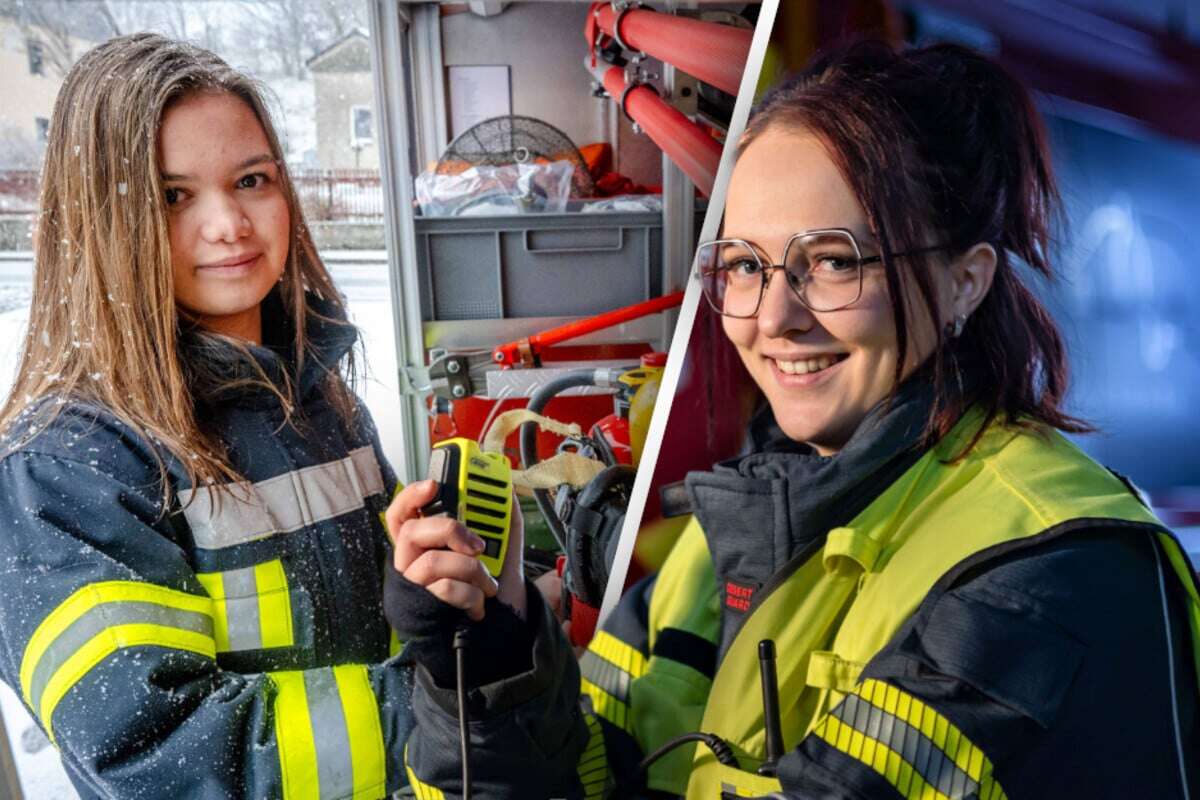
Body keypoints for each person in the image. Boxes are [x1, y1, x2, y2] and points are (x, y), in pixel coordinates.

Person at [390, 41, 1200, 798]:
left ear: (966, 281)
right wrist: (493, 666)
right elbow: (596, 775)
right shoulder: (714, 547)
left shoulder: (1047, 577)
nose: (775, 316)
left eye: (834, 260)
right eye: (745, 265)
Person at [0, 33, 428, 798]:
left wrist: (456, 603)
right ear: (100, 224)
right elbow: (160, 755)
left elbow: (388, 616)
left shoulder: (318, 396)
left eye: (252, 179)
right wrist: (447, 716)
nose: (229, 223)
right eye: (173, 195)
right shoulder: (63, 470)